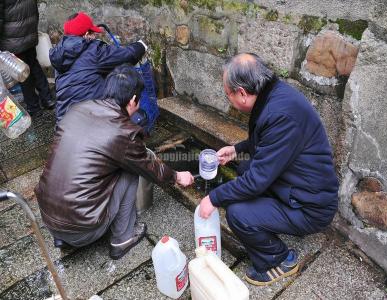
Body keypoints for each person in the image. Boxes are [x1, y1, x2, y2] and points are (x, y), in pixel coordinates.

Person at [199, 53, 339, 286]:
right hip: (299, 187)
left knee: (238, 213)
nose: (228, 99)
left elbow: (257, 181)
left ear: (242, 93)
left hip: (310, 207)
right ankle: (269, 221)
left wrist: (213, 198)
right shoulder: (275, 95)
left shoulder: (281, 115)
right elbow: (267, 142)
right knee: (244, 168)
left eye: (228, 94)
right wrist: (236, 150)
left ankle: (280, 259)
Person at [35, 64, 194, 260]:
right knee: (130, 169)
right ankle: (123, 239)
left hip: (49, 219)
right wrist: (178, 176)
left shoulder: (77, 109)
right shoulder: (123, 132)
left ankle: (65, 237)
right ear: (133, 100)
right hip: (81, 230)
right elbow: (149, 167)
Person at [50, 12, 148, 122]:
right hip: (91, 125)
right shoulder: (92, 51)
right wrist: (142, 45)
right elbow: (128, 55)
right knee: (139, 118)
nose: (95, 36)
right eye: (93, 33)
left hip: (64, 127)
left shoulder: (59, 55)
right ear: (86, 35)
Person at [0, 0, 55, 117]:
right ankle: (47, 99)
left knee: (22, 72)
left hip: (13, 38)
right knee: (33, 64)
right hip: (29, 32)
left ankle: (34, 107)